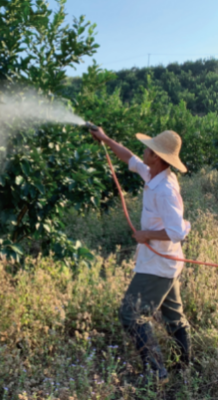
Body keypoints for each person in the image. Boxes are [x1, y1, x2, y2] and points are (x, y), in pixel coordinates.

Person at [91, 127, 191, 383]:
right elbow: (130, 159)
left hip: (158, 265)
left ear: (156, 156)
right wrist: (105, 138)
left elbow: (177, 232)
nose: (143, 151)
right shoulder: (153, 174)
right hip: (166, 263)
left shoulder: (165, 190)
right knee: (174, 317)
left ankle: (156, 373)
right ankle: (183, 370)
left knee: (130, 314)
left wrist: (147, 235)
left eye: (148, 148)